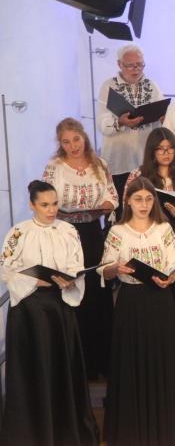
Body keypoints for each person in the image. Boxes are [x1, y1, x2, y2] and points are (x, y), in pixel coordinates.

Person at [0, 180, 99, 446]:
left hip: (59, 309)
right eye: (44, 205)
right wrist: (36, 281)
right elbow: (5, 268)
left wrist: (69, 279)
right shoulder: (18, 233)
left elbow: (76, 262)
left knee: (60, 368)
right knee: (34, 370)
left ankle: (65, 431)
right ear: (32, 205)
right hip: (29, 313)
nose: (51, 210)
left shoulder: (68, 230)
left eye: (55, 204)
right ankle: (33, 433)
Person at [98, 176, 175, 446]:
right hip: (131, 303)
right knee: (131, 360)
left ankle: (163, 428)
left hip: (160, 300)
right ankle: (132, 429)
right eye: (138, 199)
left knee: (162, 359)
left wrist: (171, 277)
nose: (144, 204)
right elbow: (104, 267)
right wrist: (117, 268)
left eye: (149, 199)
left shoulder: (163, 229)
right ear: (128, 201)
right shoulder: (118, 232)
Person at [124, 126, 175, 378]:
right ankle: (159, 362)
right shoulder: (138, 175)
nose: (166, 153)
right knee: (157, 297)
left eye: (170, 148)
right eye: (160, 149)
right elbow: (126, 205)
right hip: (150, 238)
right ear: (152, 151)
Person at [43, 118, 118, 380]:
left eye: (76, 139)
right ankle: (79, 364)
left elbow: (112, 194)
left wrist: (107, 204)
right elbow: (46, 198)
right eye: (66, 141)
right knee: (75, 291)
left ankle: (102, 361)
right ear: (60, 143)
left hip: (92, 232)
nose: (73, 146)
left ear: (83, 137)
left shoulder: (99, 164)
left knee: (97, 290)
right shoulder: (55, 167)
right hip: (65, 234)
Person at [96, 44, 164, 212]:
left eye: (140, 64)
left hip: (145, 160)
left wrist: (163, 117)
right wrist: (120, 122)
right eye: (130, 65)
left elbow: (161, 117)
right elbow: (102, 123)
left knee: (146, 207)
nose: (136, 69)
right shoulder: (108, 86)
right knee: (119, 210)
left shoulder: (152, 86)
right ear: (120, 64)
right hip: (118, 159)